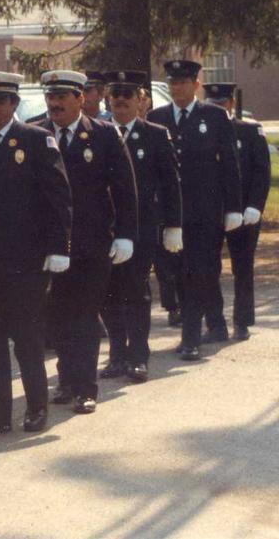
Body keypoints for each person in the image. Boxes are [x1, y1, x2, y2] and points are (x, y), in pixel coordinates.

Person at [0, 71, 72, 438]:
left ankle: (37, 408)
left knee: (26, 339)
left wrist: (58, 248)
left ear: (13, 104)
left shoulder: (36, 140)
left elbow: (57, 197)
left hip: (25, 261)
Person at [39, 69, 137, 414]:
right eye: (50, 97)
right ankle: (65, 380)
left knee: (84, 314)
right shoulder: (37, 134)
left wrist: (126, 235)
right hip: (50, 245)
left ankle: (85, 387)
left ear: (81, 98)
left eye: (62, 97)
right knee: (57, 315)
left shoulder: (104, 135)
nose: (54, 104)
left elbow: (125, 188)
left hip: (91, 244)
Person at [148, 60, 242, 360]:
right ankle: (215, 324)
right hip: (170, 214)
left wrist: (233, 208)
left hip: (205, 213)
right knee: (176, 274)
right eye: (172, 82)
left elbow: (229, 164)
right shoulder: (157, 117)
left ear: (196, 85)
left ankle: (190, 339)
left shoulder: (213, 116)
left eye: (183, 82)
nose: (177, 88)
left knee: (199, 272)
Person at [101, 70, 183, 383]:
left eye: (128, 94)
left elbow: (170, 185)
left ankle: (138, 356)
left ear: (141, 100)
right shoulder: (99, 132)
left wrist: (173, 224)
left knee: (136, 291)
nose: (121, 100)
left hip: (141, 228)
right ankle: (116, 355)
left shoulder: (155, 134)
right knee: (108, 294)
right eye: (116, 94)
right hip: (106, 228)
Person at [203, 82, 270, 341]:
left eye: (221, 104)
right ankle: (215, 323)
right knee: (208, 268)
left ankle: (242, 321)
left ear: (230, 104)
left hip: (244, 211)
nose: (218, 109)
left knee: (242, 267)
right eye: (213, 105)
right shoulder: (201, 131)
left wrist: (255, 205)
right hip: (212, 211)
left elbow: (261, 172)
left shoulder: (249, 131)